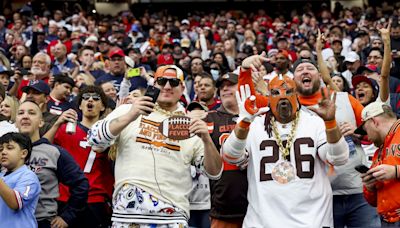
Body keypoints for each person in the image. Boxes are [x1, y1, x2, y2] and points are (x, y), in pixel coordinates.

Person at [223, 54, 349, 227]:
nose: (282, 97)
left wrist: (330, 123)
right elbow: (230, 156)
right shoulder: (255, 123)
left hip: (312, 220)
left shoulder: (314, 122)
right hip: (262, 222)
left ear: (296, 94)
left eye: (288, 92)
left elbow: (339, 159)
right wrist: (243, 122)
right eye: (275, 93)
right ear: (267, 96)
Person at [88, 64, 222, 227]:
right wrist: (131, 115)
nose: (167, 86)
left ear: (181, 88)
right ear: (153, 85)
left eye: (173, 83)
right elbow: (94, 139)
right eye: (162, 81)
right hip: (128, 216)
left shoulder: (191, 124)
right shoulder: (129, 110)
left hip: (172, 218)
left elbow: (214, 173)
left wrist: (207, 140)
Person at [45, 85, 114, 227]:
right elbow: (42, 147)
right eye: (85, 98)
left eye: (96, 98)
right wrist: (57, 123)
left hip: (95, 200)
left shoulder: (109, 133)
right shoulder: (65, 129)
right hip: (66, 198)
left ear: (102, 107)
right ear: (80, 105)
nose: (90, 100)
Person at [15, 100, 89, 228]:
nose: (25, 116)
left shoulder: (54, 152)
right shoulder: (4, 152)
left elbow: (81, 185)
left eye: (31, 113)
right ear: (16, 122)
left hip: (42, 221)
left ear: (41, 122)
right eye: (21, 113)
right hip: (11, 221)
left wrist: (67, 217)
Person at [207, 73, 248, 227]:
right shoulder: (208, 118)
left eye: (230, 84)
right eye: (221, 87)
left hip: (259, 205)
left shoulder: (258, 116)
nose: (225, 89)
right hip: (223, 207)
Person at [355, 102, 400, 227]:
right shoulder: (378, 153)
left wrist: (395, 171)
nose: (367, 137)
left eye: (365, 130)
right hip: (387, 220)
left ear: (374, 122)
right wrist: (370, 187)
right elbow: (374, 202)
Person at [0, 132, 41, 228]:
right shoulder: (1, 175)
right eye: (0, 149)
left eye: (9, 148)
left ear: (23, 153)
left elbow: (15, 203)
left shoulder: (28, 177)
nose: (3, 152)